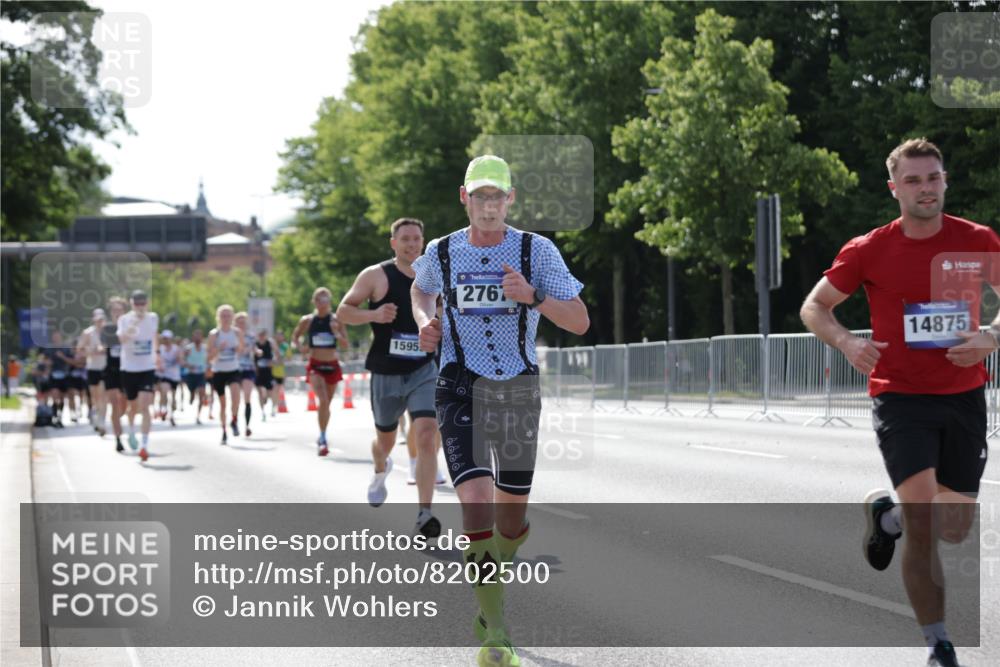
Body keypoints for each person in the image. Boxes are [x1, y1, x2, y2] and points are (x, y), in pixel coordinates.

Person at [800, 138, 994, 667]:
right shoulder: (868, 249)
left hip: (964, 397)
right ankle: (939, 644)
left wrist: (993, 336)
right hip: (900, 398)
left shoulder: (977, 240)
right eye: (913, 181)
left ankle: (887, 518)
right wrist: (846, 341)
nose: (925, 189)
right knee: (927, 521)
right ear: (894, 189)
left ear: (945, 181)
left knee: (955, 526)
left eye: (933, 178)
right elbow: (814, 306)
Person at [412, 155, 588, 666]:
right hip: (459, 385)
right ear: (464, 198)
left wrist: (532, 296)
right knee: (476, 508)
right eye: (479, 196)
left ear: (510, 200)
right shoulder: (441, 252)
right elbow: (421, 288)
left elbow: (579, 320)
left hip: (515, 388)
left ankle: (494, 584)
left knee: (511, 523)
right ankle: (496, 631)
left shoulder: (537, 251)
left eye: (498, 197)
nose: (488, 206)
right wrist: (426, 319)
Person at [338, 217, 443, 538]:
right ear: (393, 243)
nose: (412, 244)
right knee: (385, 440)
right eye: (406, 239)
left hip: (424, 369)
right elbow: (343, 311)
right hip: (386, 372)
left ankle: (425, 514)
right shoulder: (375, 275)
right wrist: (373, 314)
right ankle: (381, 468)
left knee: (426, 434)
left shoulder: (435, 275)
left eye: (417, 238)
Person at [291, 287, 348, 455]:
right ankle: (323, 438)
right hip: (315, 365)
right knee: (322, 401)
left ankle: (322, 432)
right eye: (319, 300)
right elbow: (294, 337)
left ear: (329, 302)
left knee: (327, 405)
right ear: (314, 302)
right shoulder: (307, 320)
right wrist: (300, 347)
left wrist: (336, 333)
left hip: (332, 365)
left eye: (325, 300)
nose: (322, 304)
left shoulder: (336, 320)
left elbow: (346, 345)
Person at [116, 290, 159, 461]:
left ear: (147, 303)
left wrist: (157, 354)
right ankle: (132, 431)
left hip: (147, 368)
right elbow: (122, 340)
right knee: (132, 407)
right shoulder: (124, 319)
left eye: (143, 303)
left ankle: (144, 444)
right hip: (129, 368)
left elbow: (154, 335)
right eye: (137, 303)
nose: (140, 306)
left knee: (145, 405)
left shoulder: (153, 317)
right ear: (131, 304)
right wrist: (133, 323)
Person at [207, 304, 244, 445]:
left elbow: (241, 349)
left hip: (233, 369)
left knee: (236, 396)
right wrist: (218, 349)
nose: (226, 318)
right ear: (218, 318)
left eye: (228, 315)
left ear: (232, 317)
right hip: (218, 371)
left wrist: (236, 348)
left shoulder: (237, 333)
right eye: (223, 315)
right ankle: (223, 431)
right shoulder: (214, 334)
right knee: (223, 404)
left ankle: (234, 419)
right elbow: (209, 357)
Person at [101, 297, 128, 452]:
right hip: (111, 370)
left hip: (127, 370)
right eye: (114, 311)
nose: (116, 313)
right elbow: (103, 345)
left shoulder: (130, 327)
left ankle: (121, 421)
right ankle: (118, 438)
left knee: (124, 404)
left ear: (124, 312)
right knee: (114, 403)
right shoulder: (107, 329)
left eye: (119, 310)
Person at [77, 309, 108, 436]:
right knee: (95, 397)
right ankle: (96, 416)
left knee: (103, 395)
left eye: (102, 319)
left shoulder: (108, 332)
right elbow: (79, 349)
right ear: (94, 320)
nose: (100, 322)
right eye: (98, 319)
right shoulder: (88, 333)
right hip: (92, 367)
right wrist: (90, 352)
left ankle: (102, 421)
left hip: (105, 367)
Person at [233, 311, 257, 436]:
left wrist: (258, 351)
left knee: (247, 396)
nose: (242, 324)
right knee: (236, 398)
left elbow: (253, 348)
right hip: (235, 368)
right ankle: (234, 421)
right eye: (239, 321)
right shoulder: (231, 335)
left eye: (244, 321)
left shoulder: (251, 336)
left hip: (248, 367)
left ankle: (247, 426)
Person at [183, 329, 208, 424]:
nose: (198, 338)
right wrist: (188, 365)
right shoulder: (188, 349)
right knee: (192, 392)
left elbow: (209, 359)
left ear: (202, 338)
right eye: (196, 336)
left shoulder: (205, 348)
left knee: (202, 394)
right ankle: (191, 394)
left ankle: (198, 416)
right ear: (193, 338)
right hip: (191, 374)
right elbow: (182, 360)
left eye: (199, 336)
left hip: (201, 374)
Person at [157, 330, 182, 426]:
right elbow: (157, 360)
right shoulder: (160, 349)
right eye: (164, 338)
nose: (165, 340)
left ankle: (172, 415)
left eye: (167, 338)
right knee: (164, 392)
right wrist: (159, 366)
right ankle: (163, 410)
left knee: (174, 398)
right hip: (164, 375)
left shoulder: (176, 349)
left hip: (175, 376)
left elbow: (180, 360)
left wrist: (178, 358)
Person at [253, 328, 277, 420]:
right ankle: (263, 412)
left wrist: (273, 361)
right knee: (259, 392)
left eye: (263, 335)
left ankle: (270, 405)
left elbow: (276, 354)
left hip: (268, 371)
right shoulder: (255, 345)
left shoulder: (270, 344)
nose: (262, 337)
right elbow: (252, 356)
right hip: (258, 372)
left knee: (269, 392)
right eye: (260, 335)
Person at [271, 330, 290, 416]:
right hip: (270, 371)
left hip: (280, 372)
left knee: (277, 390)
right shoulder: (271, 345)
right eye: (277, 335)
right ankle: (270, 403)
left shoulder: (285, 346)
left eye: (280, 336)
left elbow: (289, 358)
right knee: (270, 389)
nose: (278, 337)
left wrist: (281, 360)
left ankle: (273, 407)